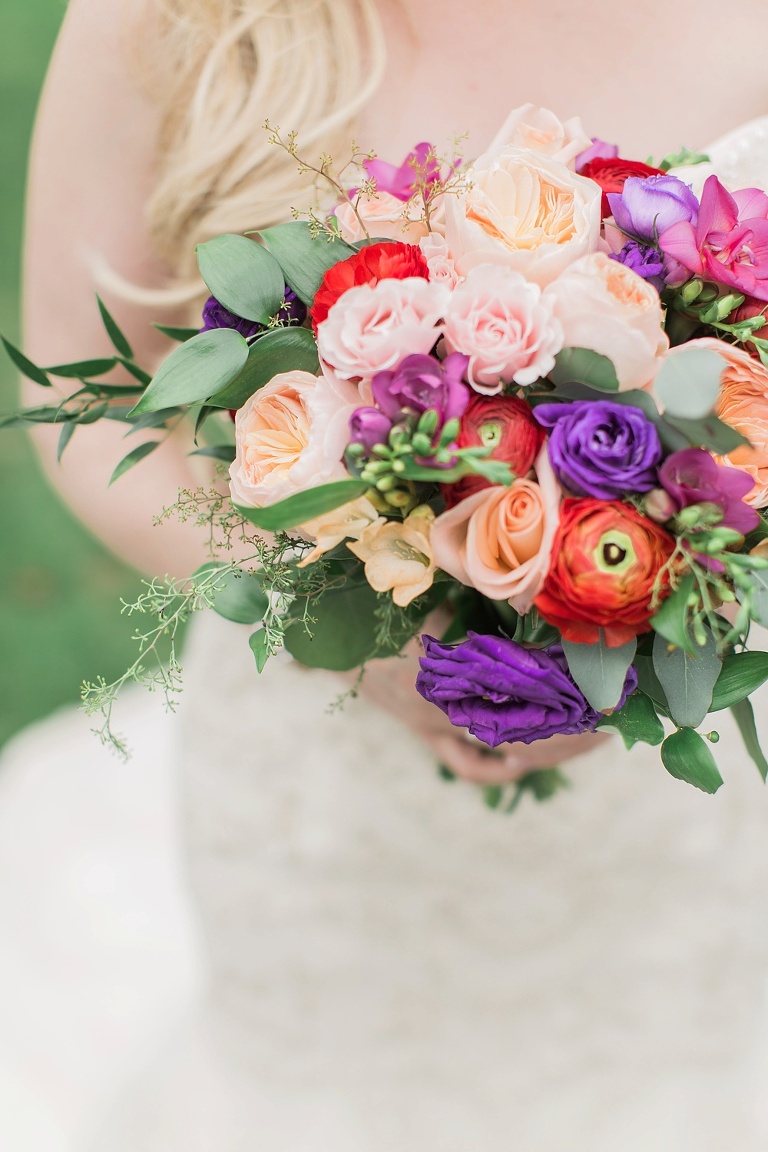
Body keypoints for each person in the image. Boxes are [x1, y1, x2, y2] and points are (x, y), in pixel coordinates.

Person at [18, 0, 768, 1147]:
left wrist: (649, 625)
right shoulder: (169, 14)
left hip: (695, 793)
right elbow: (72, 394)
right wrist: (338, 621)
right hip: (324, 786)